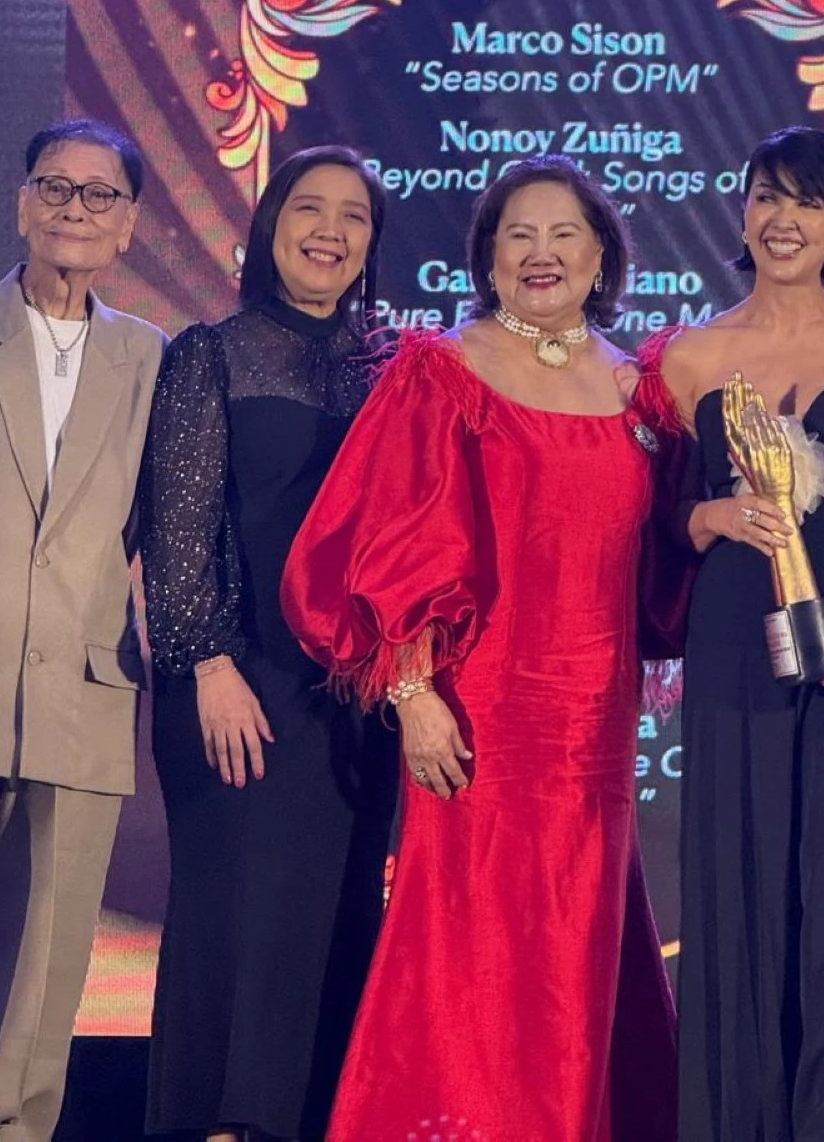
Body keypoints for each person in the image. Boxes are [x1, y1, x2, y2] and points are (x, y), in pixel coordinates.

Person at [281, 156, 683, 1142]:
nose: (542, 252)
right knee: (472, 956)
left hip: (594, 739)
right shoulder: (443, 369)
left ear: (601, 257)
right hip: (477, 725)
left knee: (578, 953)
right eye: (519, 234)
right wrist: (414, 692)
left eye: (564, 235)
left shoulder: (642, 392)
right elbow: (393, 537)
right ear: (489, 258)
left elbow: (662, 574)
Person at [646, 125, 824, 1142]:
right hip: (737, 647)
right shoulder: (690, 357)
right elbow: (659, 519)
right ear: (743, 213)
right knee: (746, 878)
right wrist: (711, 517)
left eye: (808, 202)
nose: (783, 219)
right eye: (767, 197)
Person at [139, 145, 400, 1142]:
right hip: (234, 686)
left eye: (354, 216)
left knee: (332, 926)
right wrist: (208, 666)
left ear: (373, 242)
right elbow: (177, 528)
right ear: (270, 224)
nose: (329, 230)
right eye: (308, 207)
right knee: (235, 924)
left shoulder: (391, 365)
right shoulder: (213, 350)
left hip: (352, 700)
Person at [0, 118, 164, 1142]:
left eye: (99, 195)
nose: (75, 209)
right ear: (23, 203)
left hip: (84, 688)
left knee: (43, 973)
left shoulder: (150, 357)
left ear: (128, 224)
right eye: (56, 188)